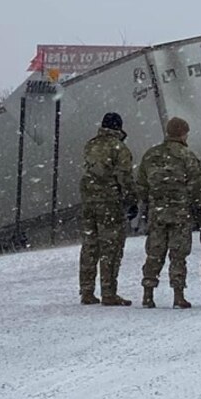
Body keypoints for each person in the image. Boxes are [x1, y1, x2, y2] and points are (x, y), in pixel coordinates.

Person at [137, 116, 201, 309]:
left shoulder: (151, 155)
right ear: (183, 134)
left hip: (157, 212)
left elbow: (141, 184)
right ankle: (178, 295)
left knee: (154, 253)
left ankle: (148, 293)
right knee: (178, 254)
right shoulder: (187, 155)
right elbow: (197, 184)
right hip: (179, 213)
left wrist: (150, 201)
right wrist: (195, 205)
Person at [79, 112, 137, 306]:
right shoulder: (119, 148)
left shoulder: (91, 144)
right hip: (110, 203)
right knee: (110, 248)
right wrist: (131, 201)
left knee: (90, 246)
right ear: (118, 128)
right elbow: (125, 178)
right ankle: (109, 292)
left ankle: (86, 291)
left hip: (89, 203)